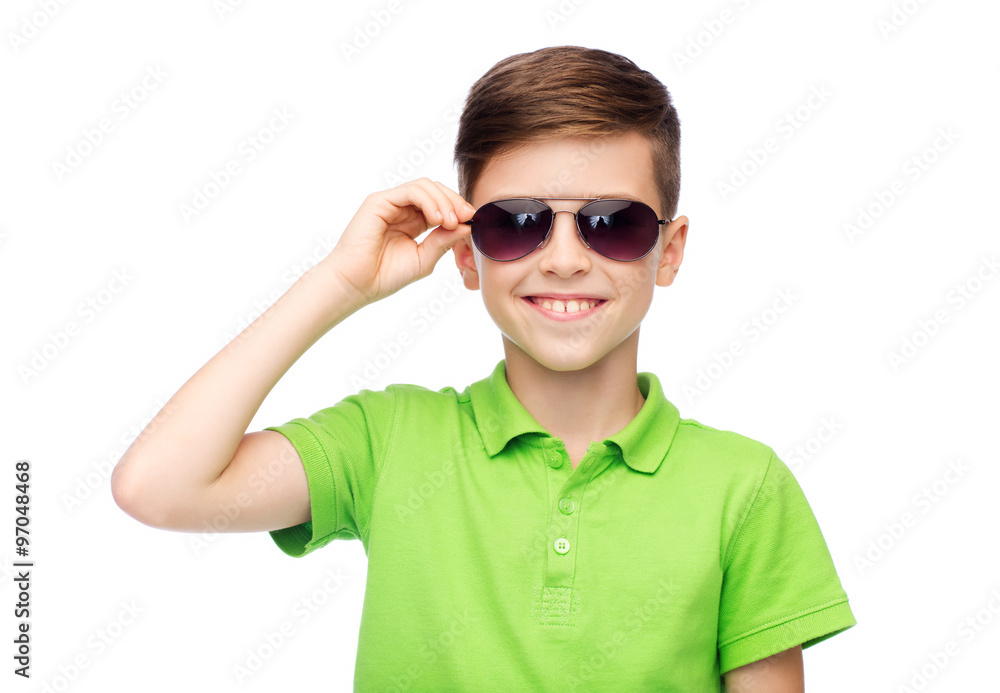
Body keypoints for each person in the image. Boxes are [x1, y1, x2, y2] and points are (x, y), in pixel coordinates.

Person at [111, 45, 856, 691]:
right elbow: (158, 486)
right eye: (518, 223)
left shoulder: (745, 486)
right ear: (466, 253)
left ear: (671, 249)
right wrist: (340, 283)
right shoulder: (390, 440)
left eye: (614, 223)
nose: (564, 259)